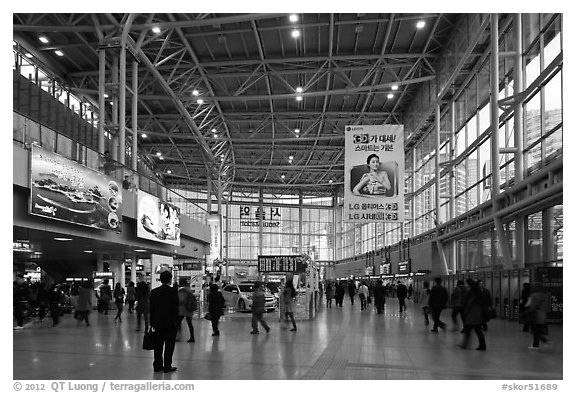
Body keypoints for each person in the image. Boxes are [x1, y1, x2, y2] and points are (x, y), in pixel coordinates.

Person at [149, 270, 179, 373]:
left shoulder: (154, 292)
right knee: (169, 345)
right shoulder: (173, 292)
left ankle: (157, 365)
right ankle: (167, 366)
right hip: (170, 323)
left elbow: (151, 309)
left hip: (157, 323)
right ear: (170, 280)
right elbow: (175, 308)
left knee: (158, 345)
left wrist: (151, 322)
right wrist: (176, 321)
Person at [459, 280, 488, 351]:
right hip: (478, 314)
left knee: (468, 329)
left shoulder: (472, 294)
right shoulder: (479, 293)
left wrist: (465, 311)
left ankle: (464, 344)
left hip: (472, 314)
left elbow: (469, 304)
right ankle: (482, 345)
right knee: (478, 331)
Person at [524, 284, 549, 350]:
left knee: (535, 331)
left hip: (536, 315)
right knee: (537, 330)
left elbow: (533, 306)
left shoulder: (534, 295)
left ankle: (544, 342)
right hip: (543, 315)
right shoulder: (544, 295)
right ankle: (536, 345)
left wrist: (527, 312)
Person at [177, 277, 196, 342]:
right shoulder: (189, 289)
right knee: (190, 323)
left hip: (182, 309)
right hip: (189, 309)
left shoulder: (181, 290)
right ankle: (192, 337)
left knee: (178, 323)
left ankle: (178, 336)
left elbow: (180, 299)